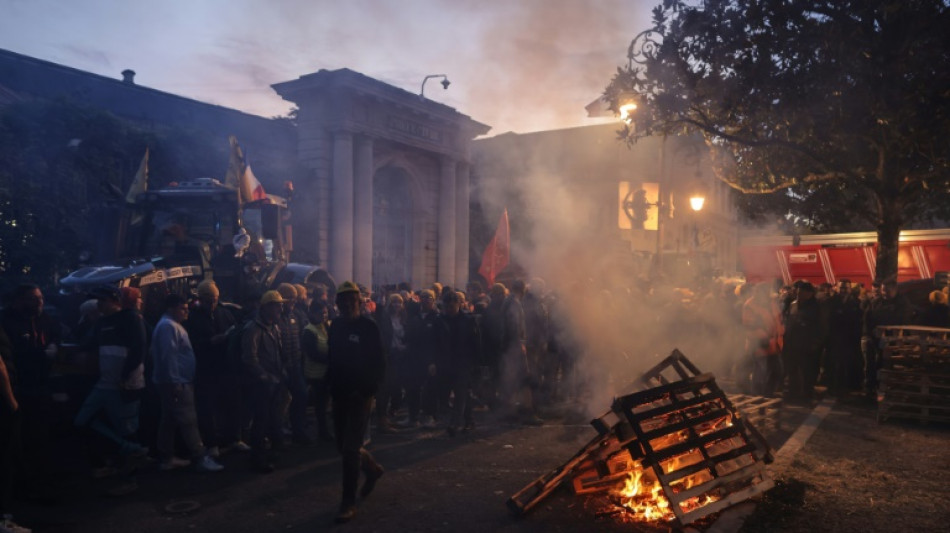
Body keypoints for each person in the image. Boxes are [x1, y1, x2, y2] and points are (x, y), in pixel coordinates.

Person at [327, 281, 385, 524]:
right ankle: (371, 469)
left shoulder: (368, 327)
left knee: (350, 450)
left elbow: (379, 363)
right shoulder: (336, 325)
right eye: (344, 301)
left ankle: (347, 502)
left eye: (353, 300)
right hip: (340, 394)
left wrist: (367, 391)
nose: (349, 305)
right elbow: (333, 358)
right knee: (343, 447)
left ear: (359, 302)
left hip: (361, 395)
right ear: (338, 304)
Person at [150, 294, 223, 472]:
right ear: (171, 308)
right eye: (182, 308)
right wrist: (175, 382)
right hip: (178, 382)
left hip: (170, 381)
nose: (186, 312)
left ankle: (166, 457)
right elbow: (169, 356)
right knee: (188, 419)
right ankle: (200, 457)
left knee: (168, 420)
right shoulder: (169, 327)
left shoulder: (169, 325)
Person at [242, 291, 287, 473]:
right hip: (261, 384)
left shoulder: (274, 327)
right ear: (266, 307)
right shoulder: (253, 329)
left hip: (275, 382)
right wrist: (264, 376)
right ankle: (257, 459)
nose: (280, 308)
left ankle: (271, 454)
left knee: (273, 419)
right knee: (260, 422)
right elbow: (249, 358)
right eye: (277, 305)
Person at [438, 290, 480, 436]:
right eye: (447, 306)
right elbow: (435, 342)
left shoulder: (469, 320)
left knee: (460, 393)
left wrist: (476, 363)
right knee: (462, 394)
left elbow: (476, 343)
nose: (449, 309)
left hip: (463, 362)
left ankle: (455, 423)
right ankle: (469, 421)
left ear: (458, 304)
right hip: (446, 362)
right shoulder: (440, 320)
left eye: (452, 306)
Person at [276, 283, 311, 444]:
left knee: (301, 395)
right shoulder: (276, 318)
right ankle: (278, 434)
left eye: (294, 299)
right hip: (280, 367)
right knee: (279, 401)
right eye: (290, 299)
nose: (293, 302)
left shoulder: (295, 316)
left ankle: (298, 430)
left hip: (295, 364)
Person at [302, 300, 333, 442]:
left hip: (326, 372)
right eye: (321, 313)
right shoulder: (309, 330)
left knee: (325, 403)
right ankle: (323, 432)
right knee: (320, 405)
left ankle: (325, 430)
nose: (324, 315)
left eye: (325, 312)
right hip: (316, 373)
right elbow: (312, 353)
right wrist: (331, 359)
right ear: (313, 314)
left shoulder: (326, 326)